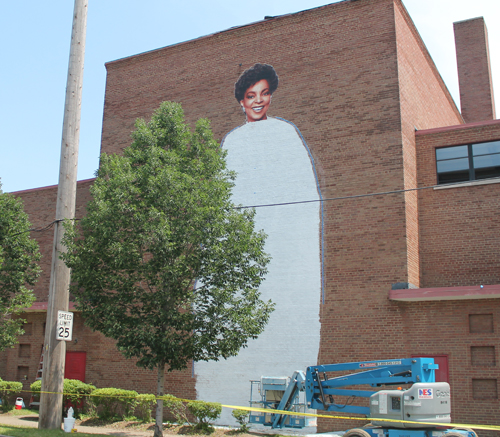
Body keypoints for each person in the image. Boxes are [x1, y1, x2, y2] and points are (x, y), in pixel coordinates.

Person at [195, 63, 323, 428]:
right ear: (240, 101)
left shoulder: (286, 134)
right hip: (233, 265)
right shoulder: (232, 142)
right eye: (251, 96)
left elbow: (302, 204)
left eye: (264, 94)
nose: (258, 101)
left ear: (272, 96)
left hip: (281, 264)